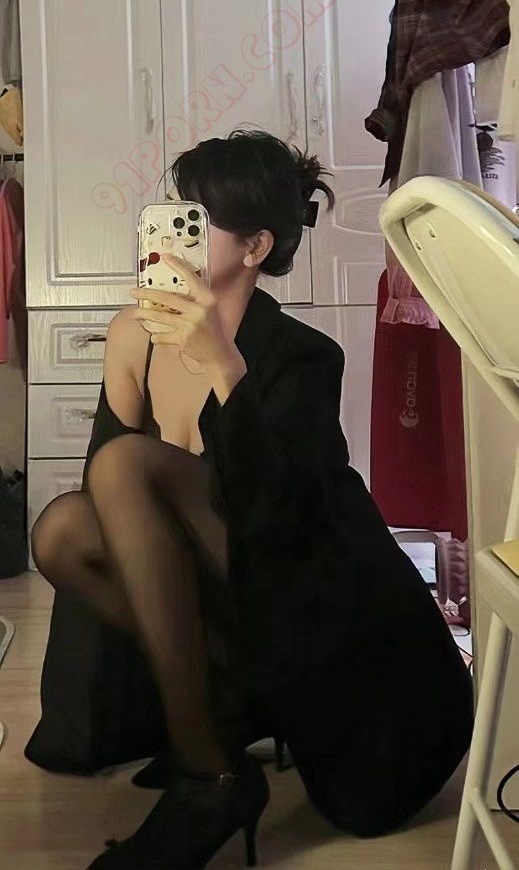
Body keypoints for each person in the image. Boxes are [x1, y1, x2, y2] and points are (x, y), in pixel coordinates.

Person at [31, 130, 474, 869]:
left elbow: (290, 523)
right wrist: (86, 718)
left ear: (255, 246)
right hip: (239, 611)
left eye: (196, 221)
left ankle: (211, 773)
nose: (172, 234)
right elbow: (113, 522)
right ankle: (215, 745)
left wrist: (225, 368)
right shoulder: (135, 337)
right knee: (65, 529)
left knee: (124, 467)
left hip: (334, 625)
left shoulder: (303, 356)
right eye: (171, 213)